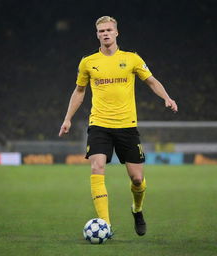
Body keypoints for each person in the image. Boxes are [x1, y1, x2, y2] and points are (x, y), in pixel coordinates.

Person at [59, 16, 178, 237]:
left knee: (137, 179)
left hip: (127, 126)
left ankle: (137, 209)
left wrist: (167, 98)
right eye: (101, 30)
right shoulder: (88, 62)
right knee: (97, 168)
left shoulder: (132, 59)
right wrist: (68, 118)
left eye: (109, 30)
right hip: (99, 125)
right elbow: (79, 91)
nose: (105, 33)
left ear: (116, 33)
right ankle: (106, 224)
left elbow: (151, 80)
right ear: (97, 34)